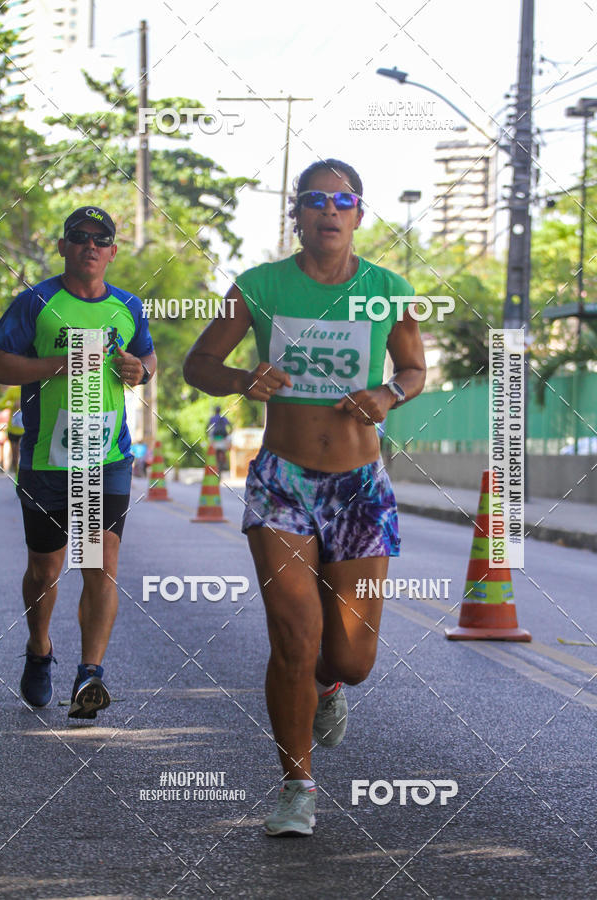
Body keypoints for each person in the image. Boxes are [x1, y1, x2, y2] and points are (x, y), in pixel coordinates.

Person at [183, 159, 426, 836]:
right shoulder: (260, 287)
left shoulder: (386, 289)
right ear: (297, 213)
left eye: (342, 199)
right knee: (293, 636)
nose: (328, 210)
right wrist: (241, 377)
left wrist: (390, 393)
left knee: (351, 658)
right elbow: (196, 365)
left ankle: (329, 685)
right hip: (283, 480)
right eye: (314, 200)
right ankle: (298, 785)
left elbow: (413, 367)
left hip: (359, 489)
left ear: (358, 213)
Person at [0, 206, 156, 719]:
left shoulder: (129, 307)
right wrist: (57, 364)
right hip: (47, 459)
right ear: (63, 247)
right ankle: (40, 649)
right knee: (46, 569)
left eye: (100, 239)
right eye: (79, 237)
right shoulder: (37, 303)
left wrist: (140, 369)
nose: (90, 245)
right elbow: (0, 361)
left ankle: (90, 673)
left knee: (99, 566)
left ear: (112, 251)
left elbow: (147, 359)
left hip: (103, 458)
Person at [0, 384, 24, 472]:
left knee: (25, 454)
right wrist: (13, 404)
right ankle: (16, 476)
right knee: (15, 455)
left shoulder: (31, 387)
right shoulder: (12, 390)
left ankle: (22, 473)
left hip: (26, 428)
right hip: (14, 428)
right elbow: (1, 404)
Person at [207, 405, 232, 472]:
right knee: (228, 444)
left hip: (215, 436)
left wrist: (207, 434)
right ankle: (225, 461)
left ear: (215, 411)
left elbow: (207, 427)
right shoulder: (223, 418)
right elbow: (230, 425)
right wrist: (230, 432)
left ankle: (215, 462)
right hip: (224, 436)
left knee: (212, 446)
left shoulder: (212, 418)